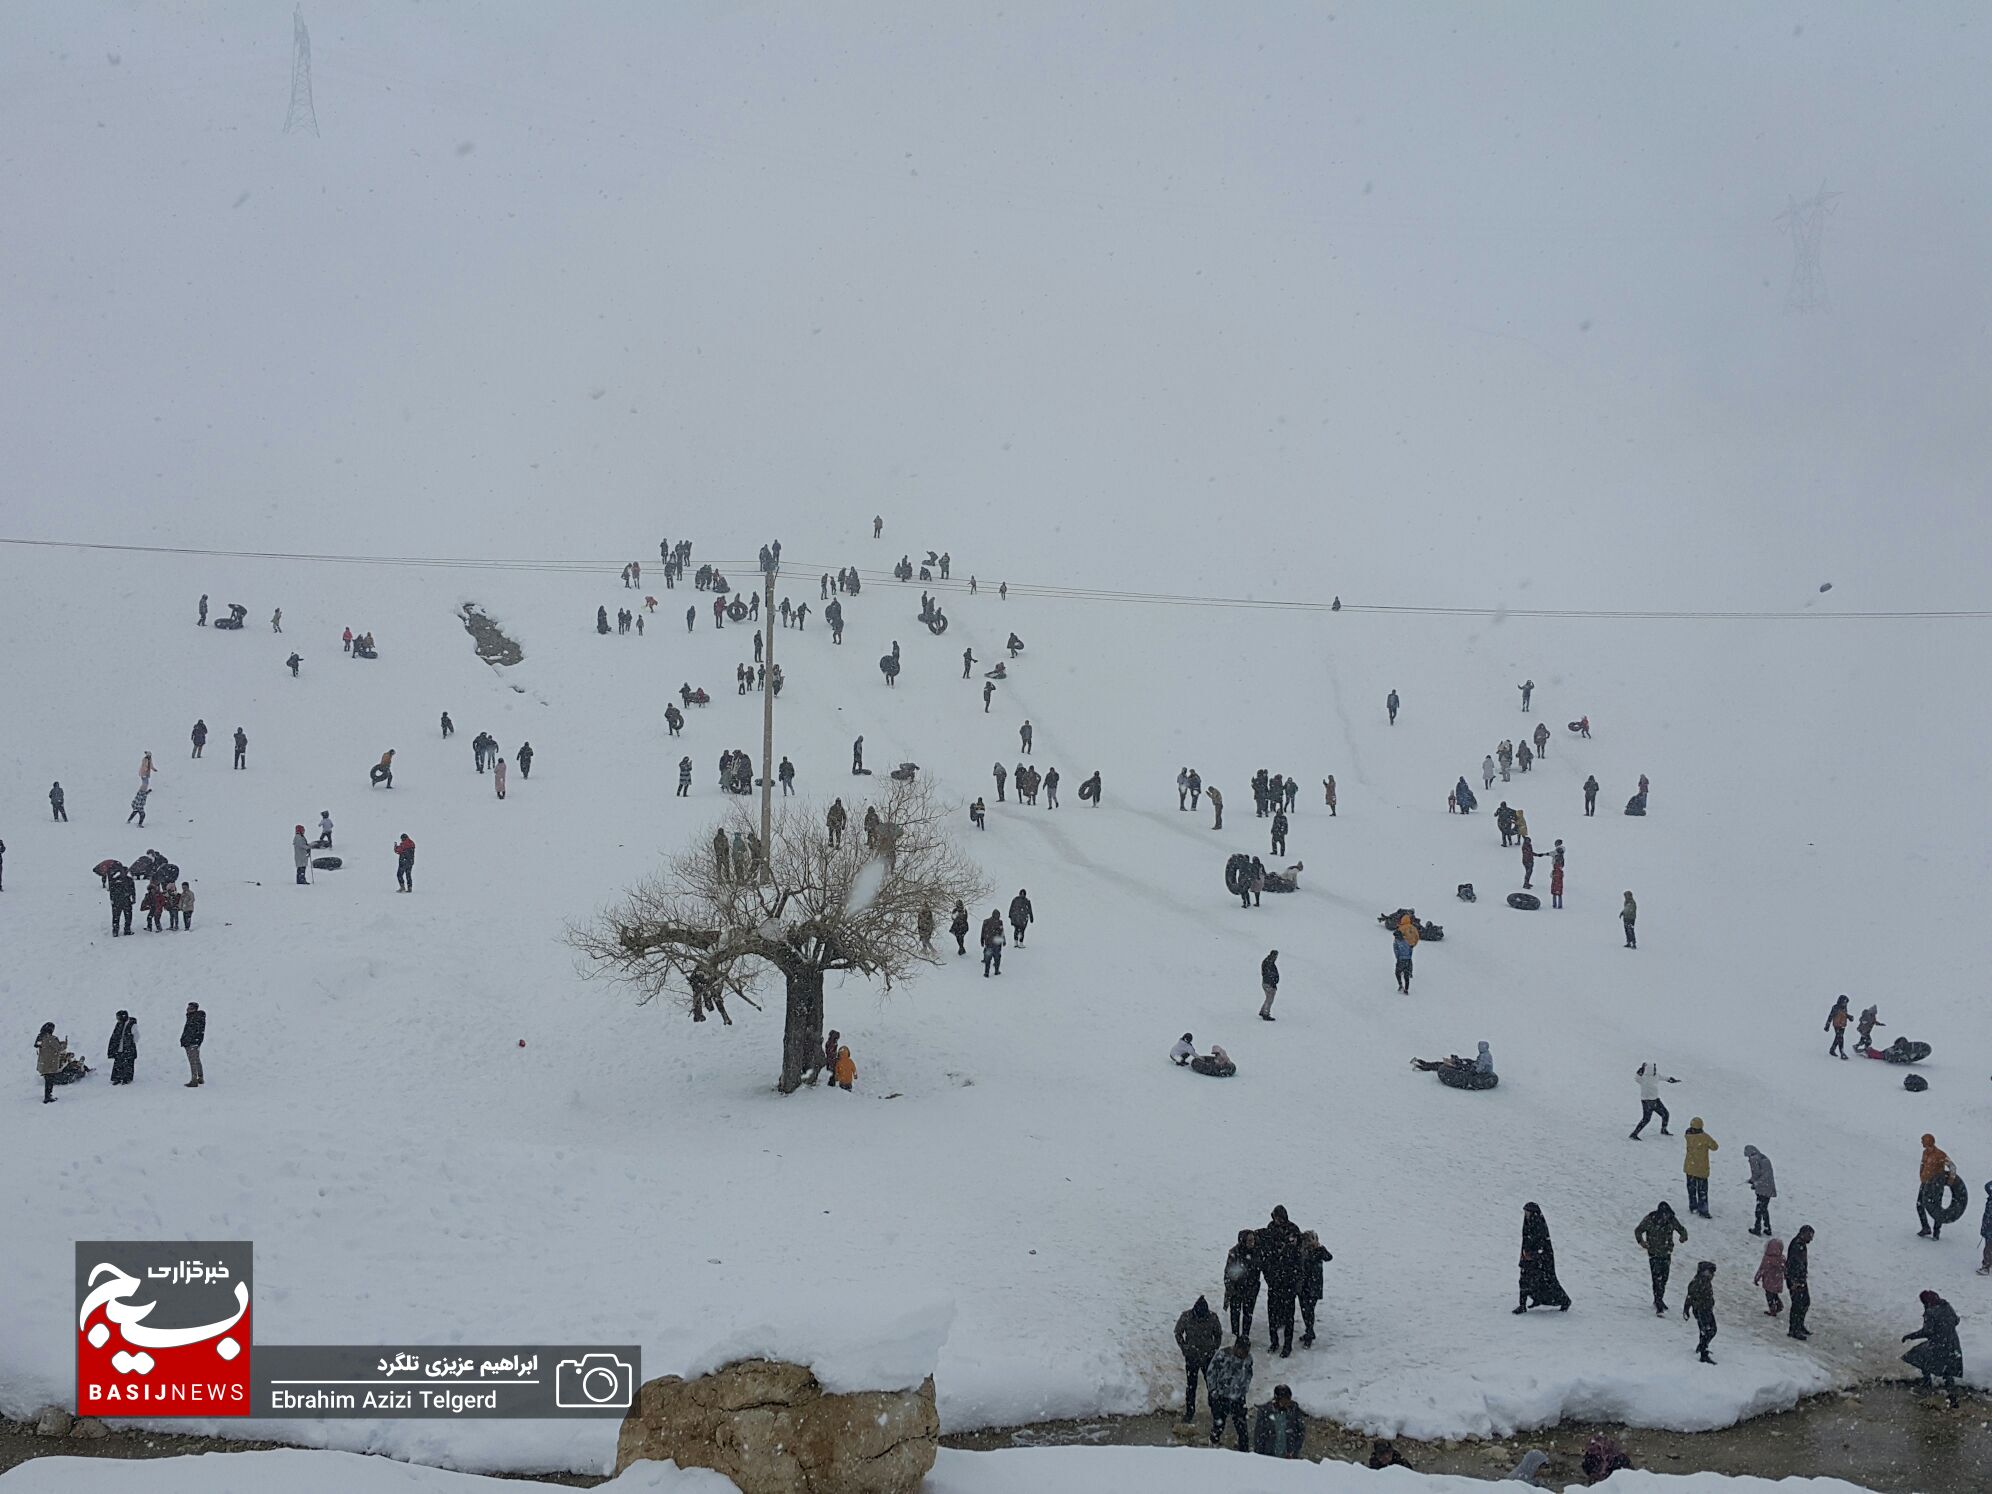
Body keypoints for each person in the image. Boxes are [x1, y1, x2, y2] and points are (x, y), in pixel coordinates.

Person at [1902, 1291, 1963, 1405]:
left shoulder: (1931, 1312)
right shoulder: (1946, 1306)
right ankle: (1952, 1397)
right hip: (1953, 1344)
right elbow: (1956, 1321)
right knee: (1948, 1370)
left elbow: (1927, 1331)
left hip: (1938, 1345)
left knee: (1918, 1356)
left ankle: (1926, 1383)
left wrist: (1910, 1336)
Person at [1175, 1296, 1223, 1422]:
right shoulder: (1186, 1317)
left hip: (1208, 1358)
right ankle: (1190, 1412)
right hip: (1192, 1358)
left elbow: (1218, 1334)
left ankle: (1215, 1411)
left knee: (1211, 1385)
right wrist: (1185, 1348)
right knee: (1191, 1386)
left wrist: (1213, 1349)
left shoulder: (1212, 1318)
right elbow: (1178, 1333)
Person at [1634, 1201, 1688, 1315]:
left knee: (1664, 1278)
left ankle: (1659, 1298)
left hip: (1666, 1253)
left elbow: (1681, 1229)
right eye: (1664, 1215)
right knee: (1656, 1278)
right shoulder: (1650, 1220)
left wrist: (1683, 1237)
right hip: (1654, 1254)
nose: (1666, 1217)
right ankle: (1658, 1302)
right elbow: (1638, 1230)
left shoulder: (1671, 1220)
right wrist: (1642, 1242)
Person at [1516, 1203, 1571, 1312]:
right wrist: (1524, 1256)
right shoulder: (1527, 1223)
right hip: (1528, 1259)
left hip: (1541, 1261)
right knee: (1524, 1280)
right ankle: (1522, 1305)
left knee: (1547, 1283)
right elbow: (1526, 1241)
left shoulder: (1539, 1225)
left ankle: (1564, 1300)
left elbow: (1542, 1245)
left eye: (1528, 1212)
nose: (1526, 1214)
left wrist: (1534, 1255)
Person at [1205, 1337, 1253, 1451]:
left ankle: (1244, 1450)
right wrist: (1213, 1391)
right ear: (1236, 1347)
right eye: (1243, 1351)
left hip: (1238, 1397)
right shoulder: (1222, 1355)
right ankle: (1213, 1443)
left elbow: (1248, 1375)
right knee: (1219, 1425)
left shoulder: (1248, 1359)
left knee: (1242, 1427)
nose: (1244, 1354)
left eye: (1246, 1352)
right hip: (1221, 1396)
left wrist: (1243, 1391)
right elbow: (1211, 1373)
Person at [1296, 1231, 1332, 1346]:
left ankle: (1309, 1333)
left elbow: (1328, 1257)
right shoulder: (1301, 1251)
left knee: (1309, 1310)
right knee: (1304, 1310)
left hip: (1313, 1287)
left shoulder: (1319, 1251)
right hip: (1303, 1286)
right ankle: (1309, 1330)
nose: (1308, 1243)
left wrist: (1319, 1247)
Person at [1223, 1230, 1261, 1338]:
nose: (1252, 1243)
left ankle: (1245, 1336)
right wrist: (1231, 1289)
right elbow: (1228, 1273)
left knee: (1248, 1315)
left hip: (1251, 1289)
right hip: (1236, 1289)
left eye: (1253, 1240)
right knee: (1235, 1314)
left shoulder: (1257, 1252)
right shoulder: (1234, 1253)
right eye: (1249, 1240)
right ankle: (1235, 1336)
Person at [1252, 1384, 1307, 1458]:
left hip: (1289, 1456)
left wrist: (1293, 1450)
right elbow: (1259, 1435)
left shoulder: (1294, 1410)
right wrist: (1260, 1454)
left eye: (1289, 1400)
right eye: (1284, 1401)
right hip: (1269, 1456)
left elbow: (1301, 1431)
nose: (1287, 1403)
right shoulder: (1265, 1412)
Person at [1631, 1062, 1678, 1139]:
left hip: (1656, 1100)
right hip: (1646, 1101)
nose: (1655, 1070)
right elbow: (1636, 1078)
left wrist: (1671, 1079)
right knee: (1646, 1119)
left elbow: (1664, 1078)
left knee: (1665, 1114)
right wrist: (1640, 1071)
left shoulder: (1656, 1075)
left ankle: (1664, 1130)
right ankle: (1634, 1134)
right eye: (1654, 1068)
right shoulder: (1643, 1078)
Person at [1917, 1134, 1952, 1239]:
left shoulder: (1940, 1155)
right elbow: (1922, 1164)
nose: (1921, 1142)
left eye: (1923, 1140)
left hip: (1936, 1185)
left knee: (1937, 1208)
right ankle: (1926, 1227)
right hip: (1925, 1183)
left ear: (1929, 1141)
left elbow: (1952, 1166)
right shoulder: (1925, 1153)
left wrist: (1950, 1181)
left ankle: (1937, 1231)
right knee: (1919, 1205)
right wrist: (1922, 1175)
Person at [1683, 1260, 1719, 1363]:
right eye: (1711, 1272)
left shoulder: (1705, 1281)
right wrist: (1686, 1310)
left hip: (1707, 1309)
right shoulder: (1698, 1282)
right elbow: (1689, 1297)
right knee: (1707, 1330)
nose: (1712, 1275)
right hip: (1701, 1310)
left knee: (1710, 1330)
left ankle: (1702, 1347)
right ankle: (1703, 1353)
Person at [1682, 1118, 1718, 1218]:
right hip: (1702, 1168)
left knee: (1691, 1189)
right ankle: (1703, 1210)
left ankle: (1693, 1206)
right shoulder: (1705, 1138)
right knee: (1702, 1191)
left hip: (1689, 1167)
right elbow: (1715, 1147)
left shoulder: (1688, 1136)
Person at [1745, 1146, 1777, 1236]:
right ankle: (1767, 1228)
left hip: (1762, 1189)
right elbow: (1765, 1174)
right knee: (1764, 1209)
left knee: (1759, 1210)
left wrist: (1754, 1182)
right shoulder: (1763, 1157)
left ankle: (1757, 1228)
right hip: (1769, 1188)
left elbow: (1757, 1173)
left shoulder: (1754, 1159)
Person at [35, 1022, 67, 1103]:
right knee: (50, 1080)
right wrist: (65, 1044)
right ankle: (48, 1097)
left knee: (47, 1080)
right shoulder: (50, 1038)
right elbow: (59, 1048)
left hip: (43, 1063)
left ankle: (47, 1095)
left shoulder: (40, 1037)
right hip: (50, 1063)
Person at [1753, 1236, 1786, 1316]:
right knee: (1774, 1294)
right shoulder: (1782, 1258)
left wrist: (1756, 1278)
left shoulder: (1767, 1259)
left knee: (1769, 1295)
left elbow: (1762, 1269)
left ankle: (1773, 1310)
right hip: (1777, 1281)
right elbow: (1785, 1268)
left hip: (1769, 1281)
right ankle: (1779, 1305)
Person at [108, 1011, 138, 1085]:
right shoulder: (119, 1024)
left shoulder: (132, 1024)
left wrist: (129, 1042)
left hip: (128, 1048)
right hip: (119, 1047)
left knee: (128, 1063)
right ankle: (117, 1078)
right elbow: (115, 1035)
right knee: (118, 1062)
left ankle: (126, 1078)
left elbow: (136, 1037)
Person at [180, 1002, 206, 1087]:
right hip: (194, 1042)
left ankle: (194, 1080)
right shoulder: (194, 1017)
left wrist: (187, 1040)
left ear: (195, 1009)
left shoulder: (194, 1018)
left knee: (193, 1061)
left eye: (190, 1008)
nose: (188, 1009)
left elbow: (191, 1031)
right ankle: (200, 1077)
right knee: (196, 1060)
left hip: (192, 1042)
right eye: (188, 1007)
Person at [107, 864, 135, 936]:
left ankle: (117, 931)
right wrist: (133, 898)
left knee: (118, 916)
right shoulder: (128, 880)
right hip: (124, 900)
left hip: (119, 901)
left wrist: (112, 899)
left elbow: (111, 891)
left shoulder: (116, 880)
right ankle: (125, 930)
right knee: (125, 916)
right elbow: (132, 890)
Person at [1824, 995, 1850, 1059]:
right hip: (1837, 1025)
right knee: (1840, 1037)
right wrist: (1827, 1025)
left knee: (1838, 1038)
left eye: (1846, 1003)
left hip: (1843, 1025)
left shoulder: (1844, 1008)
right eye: (1844, 1002)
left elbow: (1844, 1014)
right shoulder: (1835, 1007)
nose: (1845, 1004)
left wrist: (1849, 1017)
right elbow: (1830, 1016)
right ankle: (1842, 1052)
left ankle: (1832, 1049)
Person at [980, 910, 1005, 976]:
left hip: (988, 942)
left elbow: (983, 932)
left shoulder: (986, 921)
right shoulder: (1000, 922)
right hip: (997, 943)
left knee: (988, 958)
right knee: (997, 958)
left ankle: (986, 972)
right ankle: (996, 971)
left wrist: (982, 940)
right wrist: (1004, 940)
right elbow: (1002, 932)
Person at [1259, 950, 1280, 1020]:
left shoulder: (1267, 961)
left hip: (1266, 983)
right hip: (1269, 984)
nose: (1276, 957)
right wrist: (1273, 982)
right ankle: (1265, 1014)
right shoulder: (1269, 963)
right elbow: (1269, 974)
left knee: (1268, 998)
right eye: (1275, 955)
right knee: (1270, 999)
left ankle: (1263, 1011)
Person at [1393, 930, 1414, 994]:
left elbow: (1396, 951)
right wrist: (1409, 957)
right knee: (1406, 975)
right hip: (1408, 960)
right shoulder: (1407, 940)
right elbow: (1411, 949)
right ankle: (1406, 990)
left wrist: (1398, 958)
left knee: (1397, 973)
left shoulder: (1396, 942)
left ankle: (1400, 985)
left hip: (1401, 960)